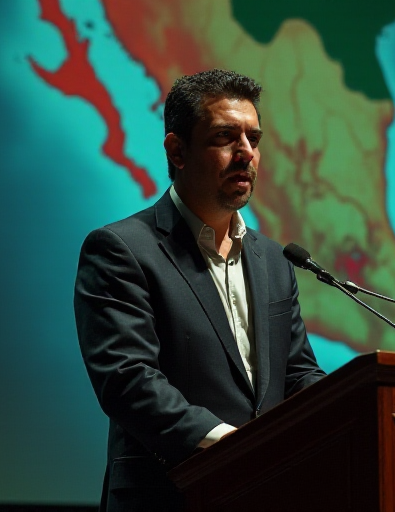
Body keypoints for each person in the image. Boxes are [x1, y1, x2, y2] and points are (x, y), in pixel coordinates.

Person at [74, 69, 327, 512]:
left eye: (253, 138)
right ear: (177, 151)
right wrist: (234, 446)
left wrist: (348, 411)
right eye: (225, 137)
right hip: (168, 497)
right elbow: (127, 380)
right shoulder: (121, 250)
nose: (246, 153)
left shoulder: (274, 261)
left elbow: (298, 375)